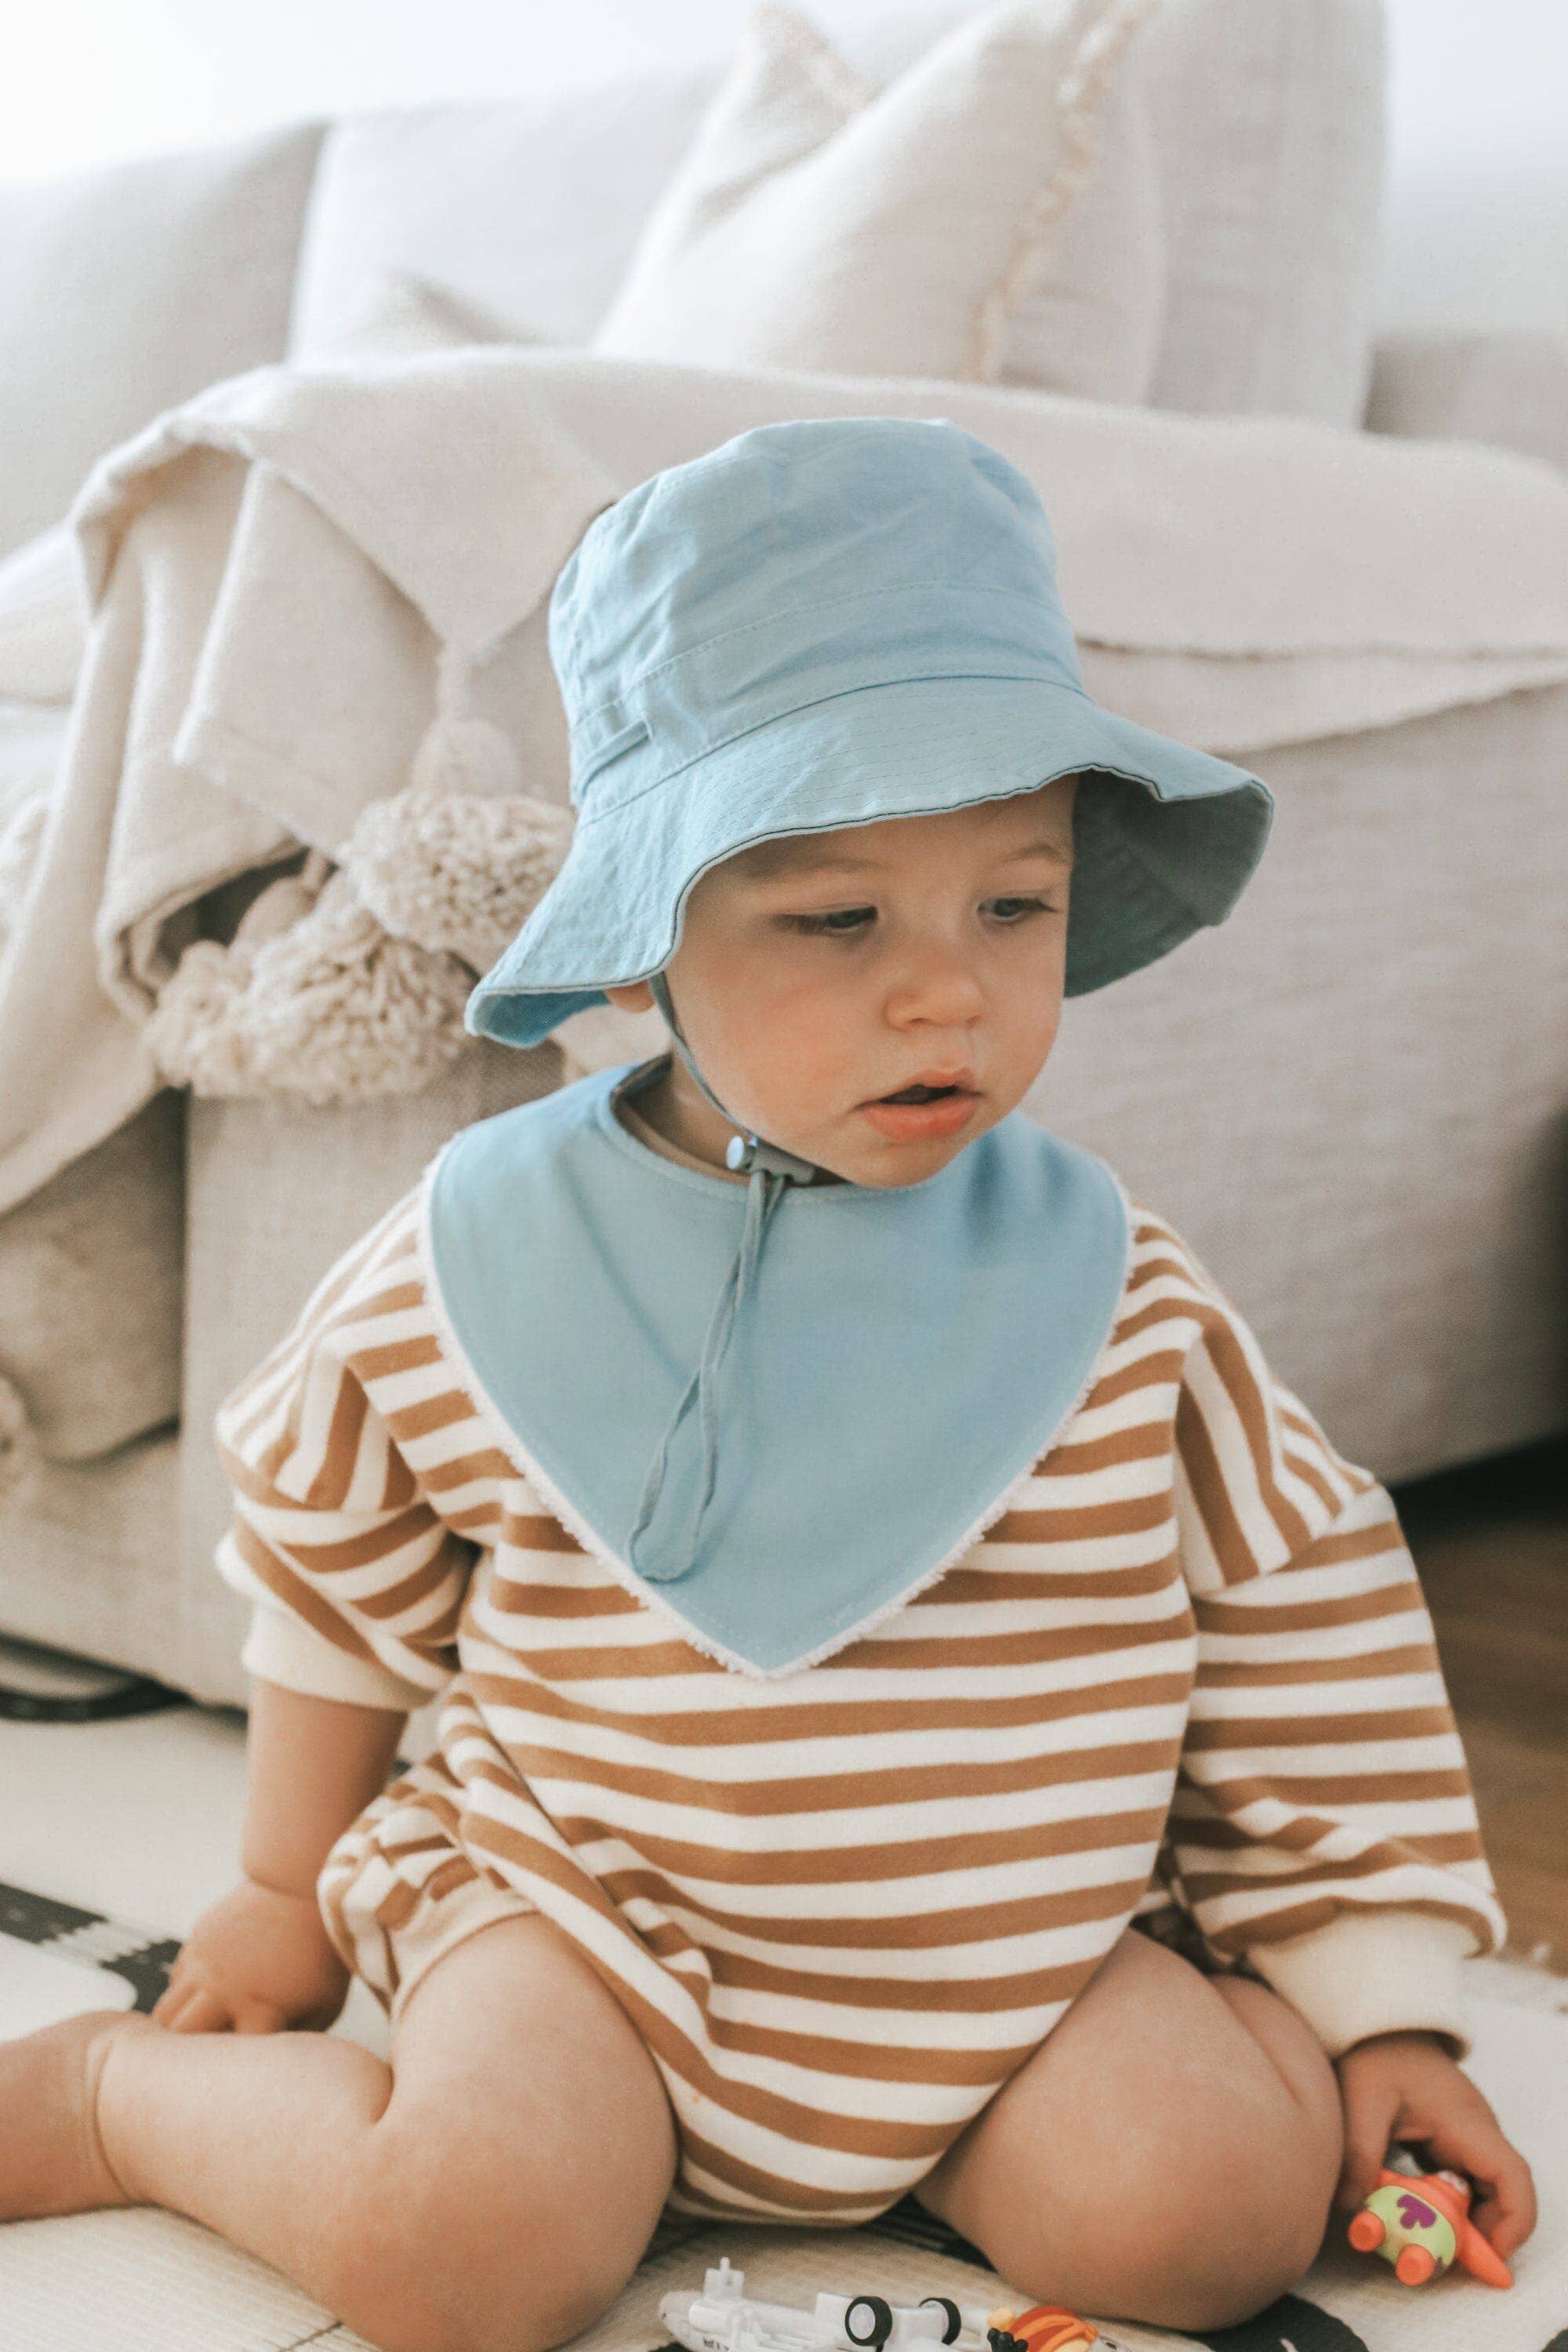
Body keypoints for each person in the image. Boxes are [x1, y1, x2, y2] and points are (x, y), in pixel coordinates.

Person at [0, 419, 1535, 2352]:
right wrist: (280, 1894)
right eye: (837, 918)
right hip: (586, 1928)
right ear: (644, 940)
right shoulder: (478, 1255)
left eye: (1014, 904)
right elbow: (332, 1563)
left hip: (1018, 1953)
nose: (947, 993)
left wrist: (1375, 2010)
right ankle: (115, 2106)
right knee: (466, 2253)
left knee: (1213, 2221)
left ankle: (1102, 2103)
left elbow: (1299, 1616)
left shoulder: (1112, 1288)